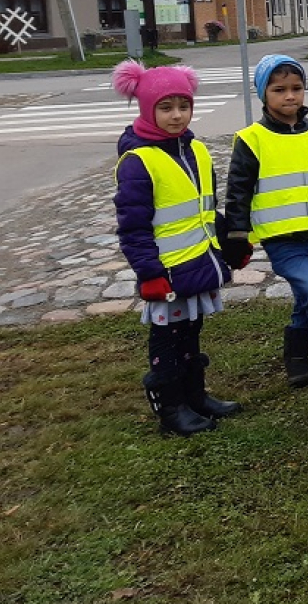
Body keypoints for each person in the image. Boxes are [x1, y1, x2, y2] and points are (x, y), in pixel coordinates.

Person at [112, 60, 245, 436]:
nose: (176, 116)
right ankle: (171, 407)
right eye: (166, 108)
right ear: (147, 109)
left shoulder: (196, 150)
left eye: (183, 106)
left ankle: (195, 395)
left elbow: (204, 209)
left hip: (196, 264)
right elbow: (133, 227)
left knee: (191, 333)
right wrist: (149, 273)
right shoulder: (138, 162)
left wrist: (227, 245)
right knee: (166, 342)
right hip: (166, 272)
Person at [223, 54, 308, 387]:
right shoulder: (252, 140)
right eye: (279, 89)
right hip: (281, 238)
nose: (290, 96)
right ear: (263, 94)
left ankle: (297, 358)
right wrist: (237, 234)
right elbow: (238, 191)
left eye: (297, 88)